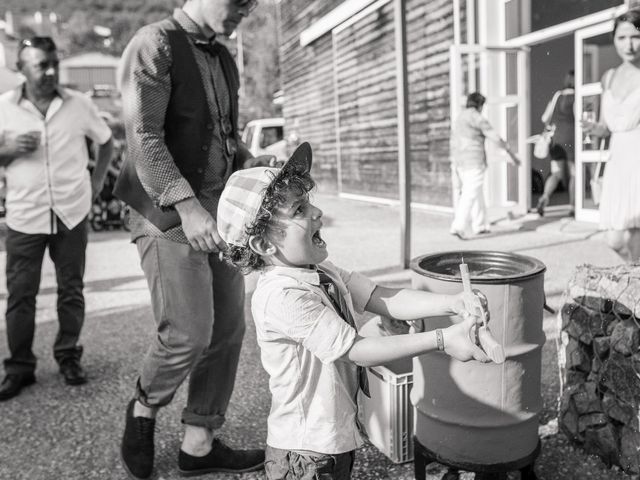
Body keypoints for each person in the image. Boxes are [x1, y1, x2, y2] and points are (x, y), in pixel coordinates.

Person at [217, 142, 491, 480]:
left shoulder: (321, 270)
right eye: (299, 210)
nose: (317, 213)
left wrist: (451, 302)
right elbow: (357, 350)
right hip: (305, 455)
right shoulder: (282, 296)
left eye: (309, 203)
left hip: (332, 439)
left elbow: (381, 296)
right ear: (263, 245)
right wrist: (442, 339)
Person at [115, 1, 270, 478]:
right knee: (187, 333)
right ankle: (143, 409)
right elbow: (144, 136)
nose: (246, 7)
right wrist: (186, 205)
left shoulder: (223, 56)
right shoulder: (154, 44)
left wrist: (256, 160)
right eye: (238, 1)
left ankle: (198, 443)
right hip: (166, 214)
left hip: (219, 214)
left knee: (227, 329)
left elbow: (221, 137)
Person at [0, 36, 113, 400]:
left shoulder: (79, 105)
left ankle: (68, 356)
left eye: (53, 63)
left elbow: (106, 141)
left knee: (71, 290)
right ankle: (19, 368)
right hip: (24, 215)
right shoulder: (4, 108)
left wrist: (96, 185)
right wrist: (8, 150)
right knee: (20, 295)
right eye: (39, 65)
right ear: (22, 69)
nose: (49, 71)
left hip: (71, 212)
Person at [582, 9, 640, 262]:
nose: (629, 44)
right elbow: (607, 126)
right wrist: (593, 129)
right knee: (615, 240)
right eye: (622, 38)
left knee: (636, 240)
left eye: (636, 36)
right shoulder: (609, 77)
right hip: (618, 162)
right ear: (614, 39)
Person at [449, 92, 520, 240]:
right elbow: (495, 137)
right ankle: (458, 226)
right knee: (469, 193)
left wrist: (454, 163)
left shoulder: (460, 117)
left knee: (476, 192)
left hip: (460, 162)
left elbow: (454, 141)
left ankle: (480, 225)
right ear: (479, 105)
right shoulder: (476, 117)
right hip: (474, 161)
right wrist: (511, 154)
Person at [536, 71, 575, 217]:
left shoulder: (557, 96)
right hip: (572, 139)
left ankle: (545, 196)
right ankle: (573, 206)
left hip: (556, 139)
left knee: (556, 174)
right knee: (574, 174)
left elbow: (545, 118)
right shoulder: (577, 97)